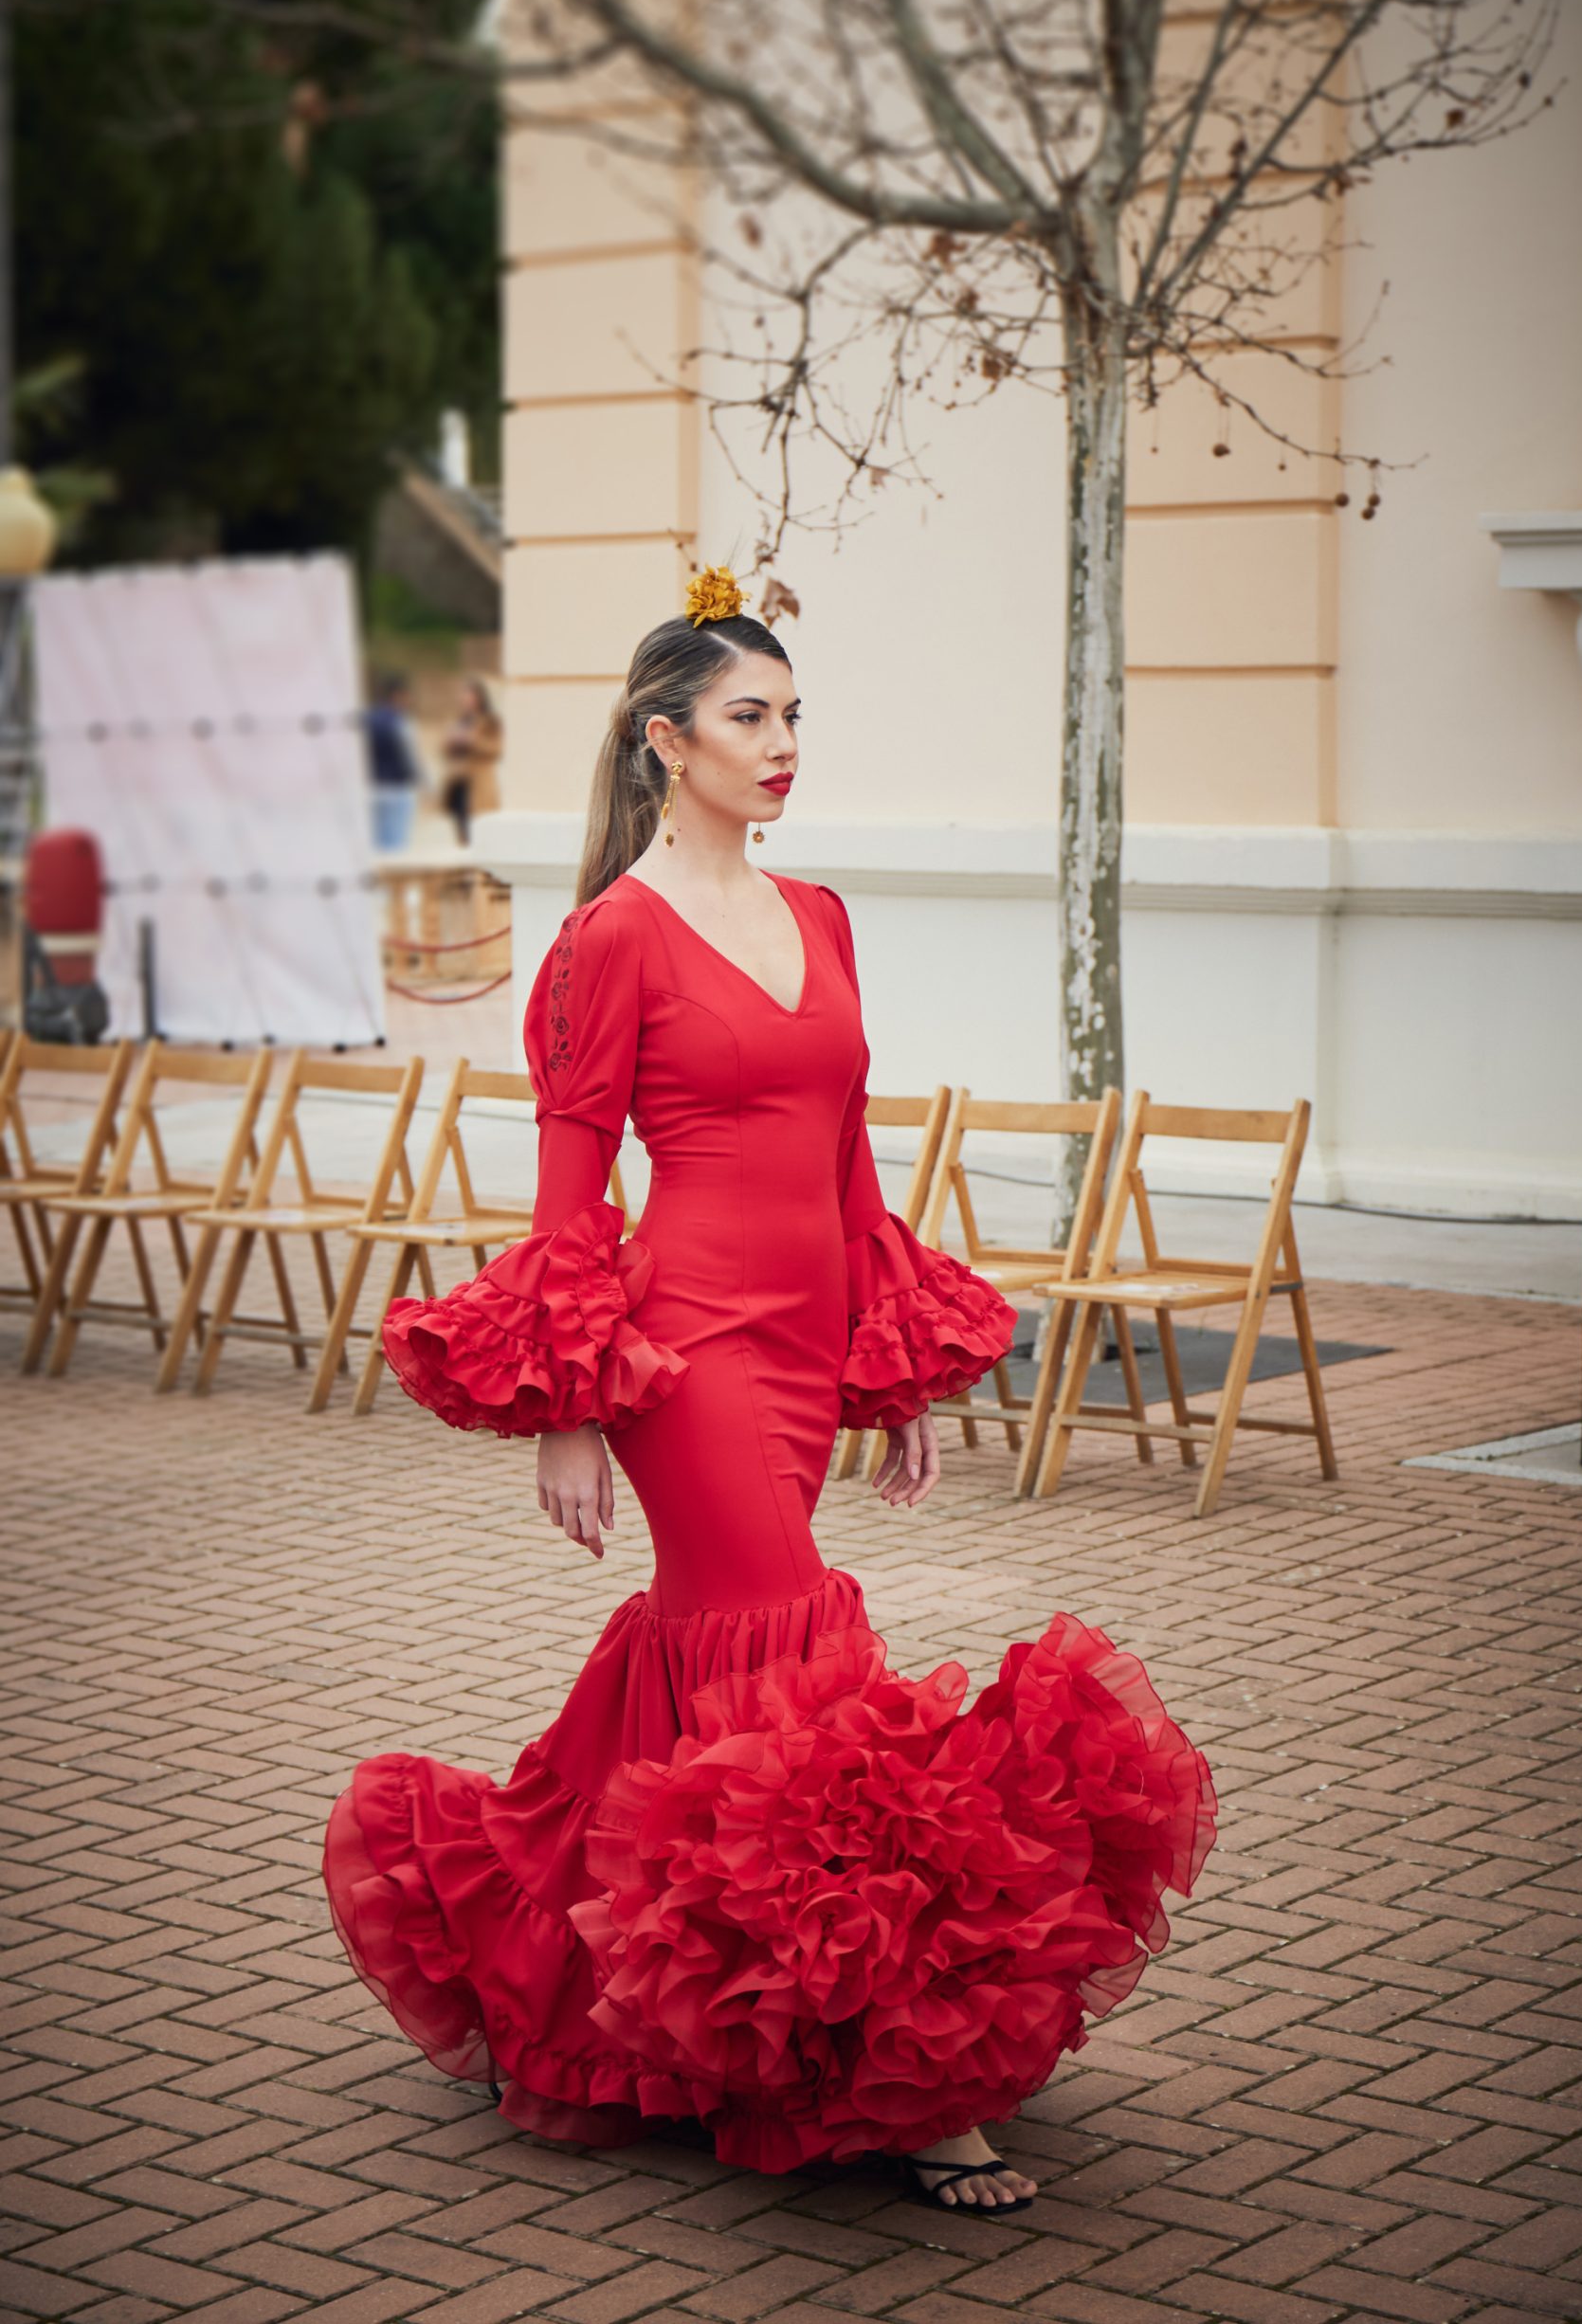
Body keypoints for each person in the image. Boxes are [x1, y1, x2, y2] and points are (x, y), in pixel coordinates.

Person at [323, 567, 1216, 2213]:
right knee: (796, 1646)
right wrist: (575, 1398)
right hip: (687, 1348)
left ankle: (564, 1957)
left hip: (811, 1341)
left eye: (793, 716)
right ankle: (892, 2073)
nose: (784, 745)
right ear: (670, 743)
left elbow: (849, 1159)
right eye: (753, 718)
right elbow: (572, 1188)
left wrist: (898, 1358)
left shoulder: (821, 917)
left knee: (720, 1664)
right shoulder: (606, 939)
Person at [440, 675, 504, 846]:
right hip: (458, 782)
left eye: (469, 696)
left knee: (480, 829)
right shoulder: (459, 720)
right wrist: (450, 741)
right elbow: (445, 750)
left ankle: (481, 870)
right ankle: (468, 866)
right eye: (463, 696)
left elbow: (497, 748)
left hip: (479, 784)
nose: (465, 700)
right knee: (461, 830)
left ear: (479, 698)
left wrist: (472, 741)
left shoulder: (490, 721)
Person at [364, 671, 420, 853]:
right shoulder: (400, 722)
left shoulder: (368, 719)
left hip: (375, 786)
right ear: (398, 695)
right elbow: (410, 756)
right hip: (398, 787)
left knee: (377, 844)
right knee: (397, 846)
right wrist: (422, 782)